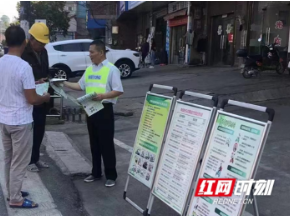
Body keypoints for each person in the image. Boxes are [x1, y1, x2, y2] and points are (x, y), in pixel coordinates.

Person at [56, 40, 124, 187]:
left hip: (104, 109)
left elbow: (118, 90)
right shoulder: (89, 69)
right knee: (94, 143)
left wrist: (103, 96)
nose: (90, 55)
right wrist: (63, 83)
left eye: (92, 52)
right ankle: (96, 172)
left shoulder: (112, 69)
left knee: (106, 144)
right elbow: (80, 85)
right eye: (89, 52)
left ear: (101, 52)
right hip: (90, 110)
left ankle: (111, 175)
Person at [0, 26, 50, 209]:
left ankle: (12, 192)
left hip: (4, 120)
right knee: (19, 162)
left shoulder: (1, 62)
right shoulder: (23, 66)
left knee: (8, 159)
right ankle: (16, 199)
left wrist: (33, 83)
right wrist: (44, 97)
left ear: (6, 42)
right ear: (24, 42)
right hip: (20, 121)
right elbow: (32, 99)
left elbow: (10, 87)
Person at [21, 23, 51, 172]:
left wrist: (47, 80)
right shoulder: (24, 54)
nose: (42, 46)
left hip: (41, 96)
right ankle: (29, 160)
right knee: (28, 132)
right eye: (40, 43)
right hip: (28, 99)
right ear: (32, 40)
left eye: (44, 43)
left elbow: (45, 70)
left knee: (40, 129)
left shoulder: (44, 52)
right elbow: (20, 79)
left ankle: (36, 158)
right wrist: (34, 82)